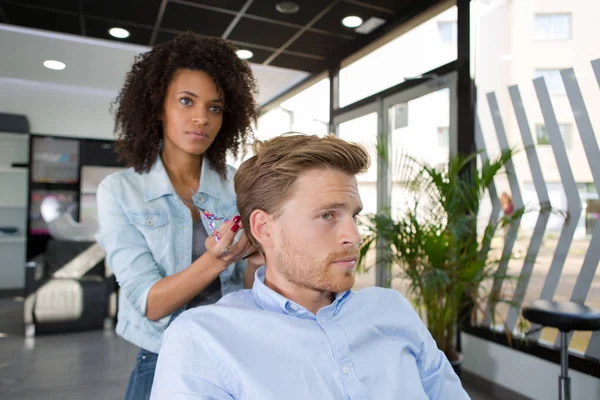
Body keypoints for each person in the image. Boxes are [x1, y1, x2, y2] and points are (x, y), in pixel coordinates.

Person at [150, 133, 470, 399]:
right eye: (327, 215)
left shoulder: (392, 310)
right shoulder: (203, 340)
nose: (354, 236)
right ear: (263, 228)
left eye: (353, 216)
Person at [95, 32, 264, 400]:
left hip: (234, 351)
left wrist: (257, 259)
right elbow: (150, 303)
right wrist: (216, 260)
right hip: (162, 358)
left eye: (215, 107)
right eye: (187, 101)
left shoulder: (237, 183)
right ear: (158, 106)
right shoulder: (119, 192)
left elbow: (249, 288)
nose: (201, 118)